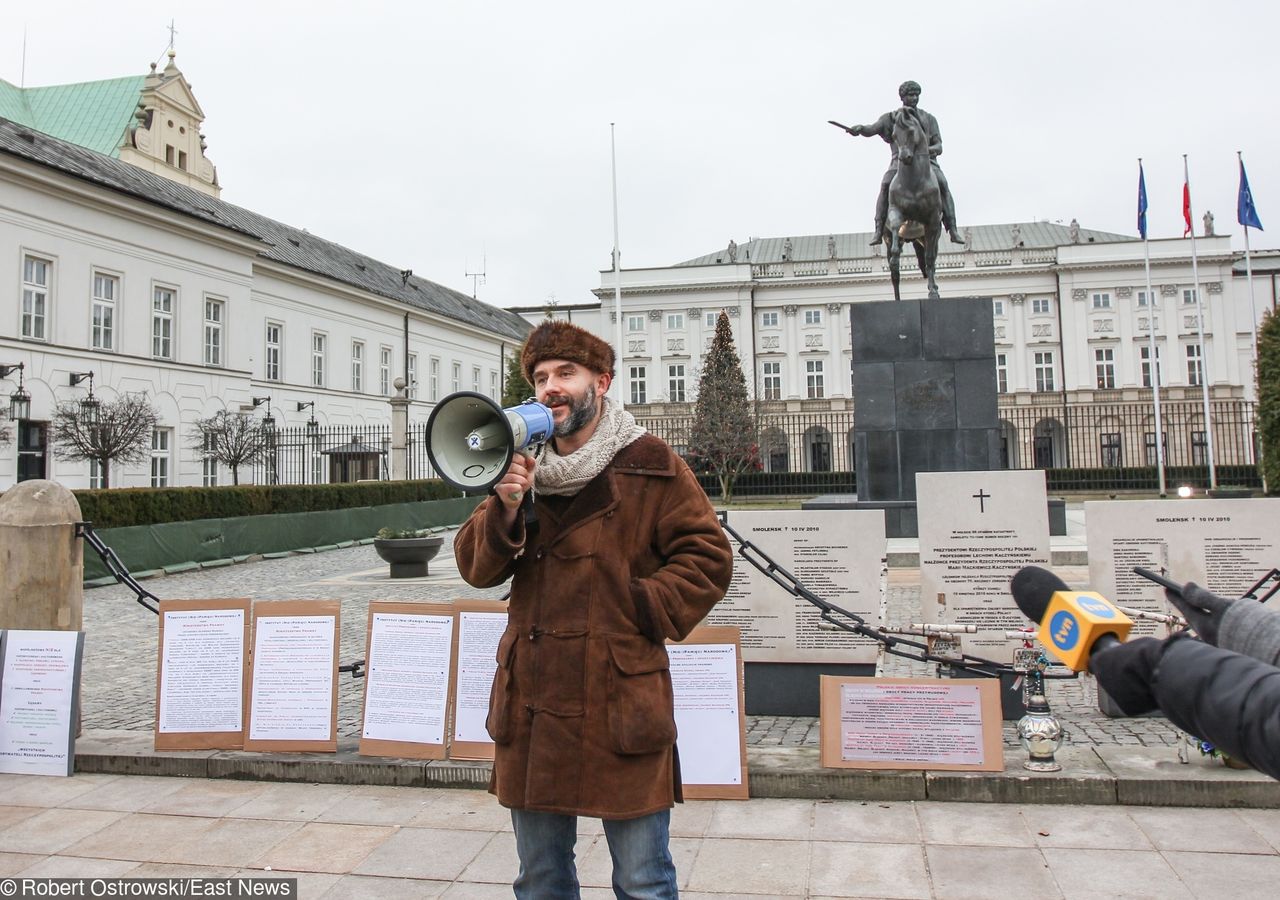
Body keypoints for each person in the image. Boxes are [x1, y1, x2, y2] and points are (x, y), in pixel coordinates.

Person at [454, 319, 734, 899]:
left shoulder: (649, 462)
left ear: (601, 382)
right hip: (534, 700)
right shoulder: (520, 468)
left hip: (618, 695)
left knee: (642, 879)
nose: (550, 387)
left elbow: (707, 558)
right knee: (541, 879)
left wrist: (638, 606)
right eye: (540, 377)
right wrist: (504, 506)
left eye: (566, 373)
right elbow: (476, 568)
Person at [841, 80, 963, 246]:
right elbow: (872, 129)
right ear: (902, 97)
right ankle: (878, 230)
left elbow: (939, 145)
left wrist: (926, 151)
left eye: (916, 95)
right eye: (910, 95)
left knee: (943, 184)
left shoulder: (929, 119)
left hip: (927, 163)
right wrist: (860, 129)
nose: (914, 98)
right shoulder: (890, 118)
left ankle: (953, 228)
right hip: (898, 163)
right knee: (885, 184)